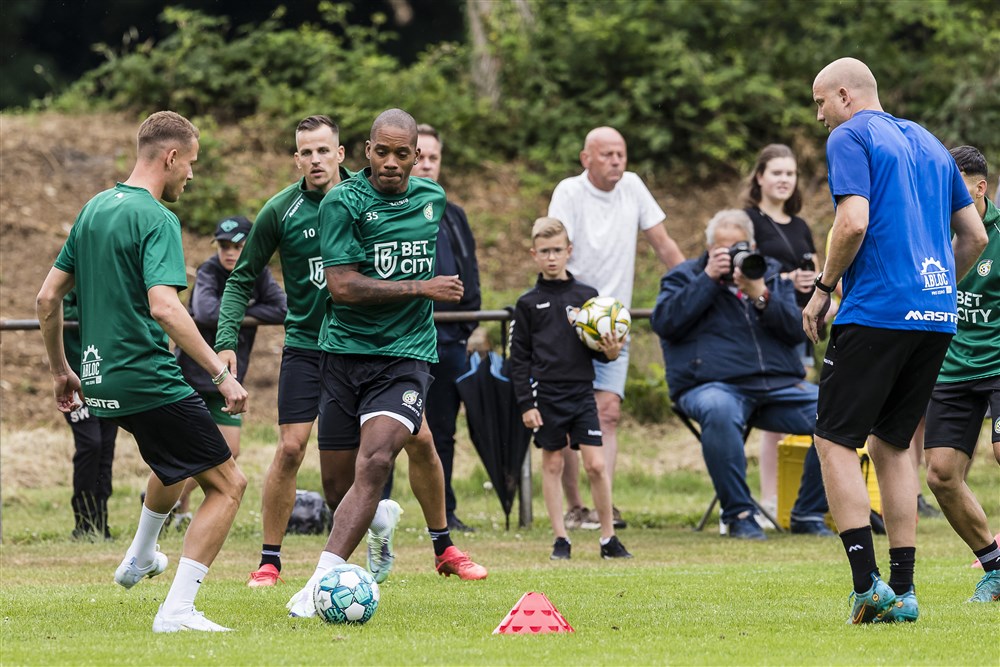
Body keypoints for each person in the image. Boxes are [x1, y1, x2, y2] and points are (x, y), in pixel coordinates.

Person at [36, 110, 249, 632]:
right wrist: (220, 375)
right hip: (146, 375)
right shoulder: (156, 217)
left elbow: (46, 298)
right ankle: (177, 610)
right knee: (228, 484)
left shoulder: (92, 210)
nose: (191, 176)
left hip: (101, 381)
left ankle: (141, 556)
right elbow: (166, 307)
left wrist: (62, 371)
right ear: (170, 157)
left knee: (174, 462)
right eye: (191, 164)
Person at [803, 58, 986, 624]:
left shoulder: (850, 135)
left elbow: (853, 222)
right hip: (935, 317)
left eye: (819, 104)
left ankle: (867, 586)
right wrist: (934, 288)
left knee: (832, 441)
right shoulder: (931, 144)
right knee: (891, 444)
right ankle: (904, 592)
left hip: (876, 309)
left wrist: (823, 288)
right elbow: (975, 234)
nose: (818, 117)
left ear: (844, 95)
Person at [286, 108, 487, 619]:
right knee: (340, 487)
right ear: (367, 152)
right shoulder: (342, 202)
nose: (394, 163)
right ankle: (377, 524)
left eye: (404, 154)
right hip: (344, 354)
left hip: (406, 357)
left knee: (375, 462)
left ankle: (318, 584)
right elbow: (343, 286)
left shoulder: (434, 200)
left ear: (417, 157)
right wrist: (422, 286)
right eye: (384, 152)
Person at [215, 115, 354, 587]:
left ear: (340, 153)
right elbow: (241, 279)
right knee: (291, 448)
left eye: (323, 150)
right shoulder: (281, 210)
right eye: (306, 152)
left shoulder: (369, 200)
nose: (315, 160)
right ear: (297, 158)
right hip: (306, 347)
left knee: (353, 464)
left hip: (359, 347)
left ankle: (360, 543)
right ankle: (270, 560)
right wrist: (226, 342)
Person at [651, 209, 832, 541]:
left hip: (776, 386)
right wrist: (707, 279)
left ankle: (808, 512)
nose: (734, 255)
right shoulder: (684, 276)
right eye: (724, 248)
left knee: (836, 409)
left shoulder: (769, 275)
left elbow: (797, 332)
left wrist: (760, 294)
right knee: (719, 410)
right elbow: (665, 323)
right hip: (710, 385)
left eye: (740, 247)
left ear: (752, 246)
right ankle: (739, 514)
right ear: (709, 248)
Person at [548, 126, 685, 530]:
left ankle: (602, 505)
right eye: (606, 154)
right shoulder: (569, 192)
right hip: (573, 319)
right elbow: (557, 246)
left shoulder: (634, 187)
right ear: (585, 158)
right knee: (571, 416)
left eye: (621, 154)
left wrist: (695, 283)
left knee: (607, 412)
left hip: (615, 324)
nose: (616, 161)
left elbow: (662, 242)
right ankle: (575, 507)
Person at [509, 217, 631, 560]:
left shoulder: (588, 298)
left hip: (582, 394)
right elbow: (518, 359)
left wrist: (611, 351)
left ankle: (609, 539)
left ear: (569, 252)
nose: (551, 257)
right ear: (534, 254)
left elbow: (601, 353)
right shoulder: (528, 303)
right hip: (546, 395)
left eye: (557, 251)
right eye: (544, 251)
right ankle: (561, 540)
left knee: (595, 465)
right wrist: (525, 404)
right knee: (552, 464)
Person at [383, 123, 482, 533]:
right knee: (385, 432)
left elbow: (469, 274)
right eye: (419, 156)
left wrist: (471, 325)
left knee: (442, 430)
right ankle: (374, 510)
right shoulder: (386, 209)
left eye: (434, 158)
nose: (426, 165)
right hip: (397, 341)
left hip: (448, 340)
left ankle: (445, 514)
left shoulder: (453, 214)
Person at [923, 145, 1000, 603]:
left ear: (979, 187)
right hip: (950, 366)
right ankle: (994, 566)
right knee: (941, 475)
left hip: (998, 362)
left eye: (955, 189)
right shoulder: (931, 234)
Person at [173, 216, 286, 524]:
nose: (229, 252)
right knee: (194, 450)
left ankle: (174, 498)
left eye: (237, 245)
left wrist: (240, 308)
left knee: (230, 451)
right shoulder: (209, 271)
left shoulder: (258, 273)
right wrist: (246, 309)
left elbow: (281, 308)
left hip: (230, 380)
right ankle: (173, 504)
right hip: (195, 376)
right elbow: (207, 313)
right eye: (224, 245)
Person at [742, 143, 820, 520]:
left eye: (790, 173)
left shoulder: (802, 225)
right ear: (759, 177)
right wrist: (788, 279)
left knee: (801, 407)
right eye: (776, 172)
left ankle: (794, 500)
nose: (784, 180)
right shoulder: (748, 221)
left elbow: (822, 272)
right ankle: (768, 500)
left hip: (801, 324)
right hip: (763, 325)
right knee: (774, 415)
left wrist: (815, 281)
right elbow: (746, 274)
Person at [61, 289, 118, 540]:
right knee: (91, 444)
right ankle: (83, 523)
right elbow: (57, 308)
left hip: (108, 377)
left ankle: (100, 524)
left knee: (106, 448)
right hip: (75, 378)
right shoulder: (70, 276)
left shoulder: (108, 274)